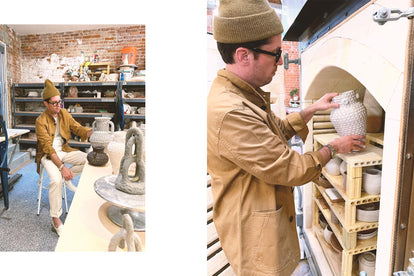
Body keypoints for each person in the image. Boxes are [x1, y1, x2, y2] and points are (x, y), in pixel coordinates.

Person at [207, 0, 365, 275]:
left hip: (259, 215)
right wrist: (334, 147)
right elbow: (289, 168)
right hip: (253, 235)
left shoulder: (243, 93)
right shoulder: (231, 111)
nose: (281, 60)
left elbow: (274, 131)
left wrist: (312, 110)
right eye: (275, 52)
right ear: (244, 55)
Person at [35, 79, 92, 236]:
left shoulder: (63, 113)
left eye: (60, 102)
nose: (58, 106)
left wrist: (88, 132)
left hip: (64, 151)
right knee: (55, 180)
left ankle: (68, 178)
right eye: (54, 103)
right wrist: (62, 168)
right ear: (46, 104)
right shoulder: (40, 121)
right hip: (48, 155)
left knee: (89, 160)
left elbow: (76, 127)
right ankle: (56, 220)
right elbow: (48, 148)